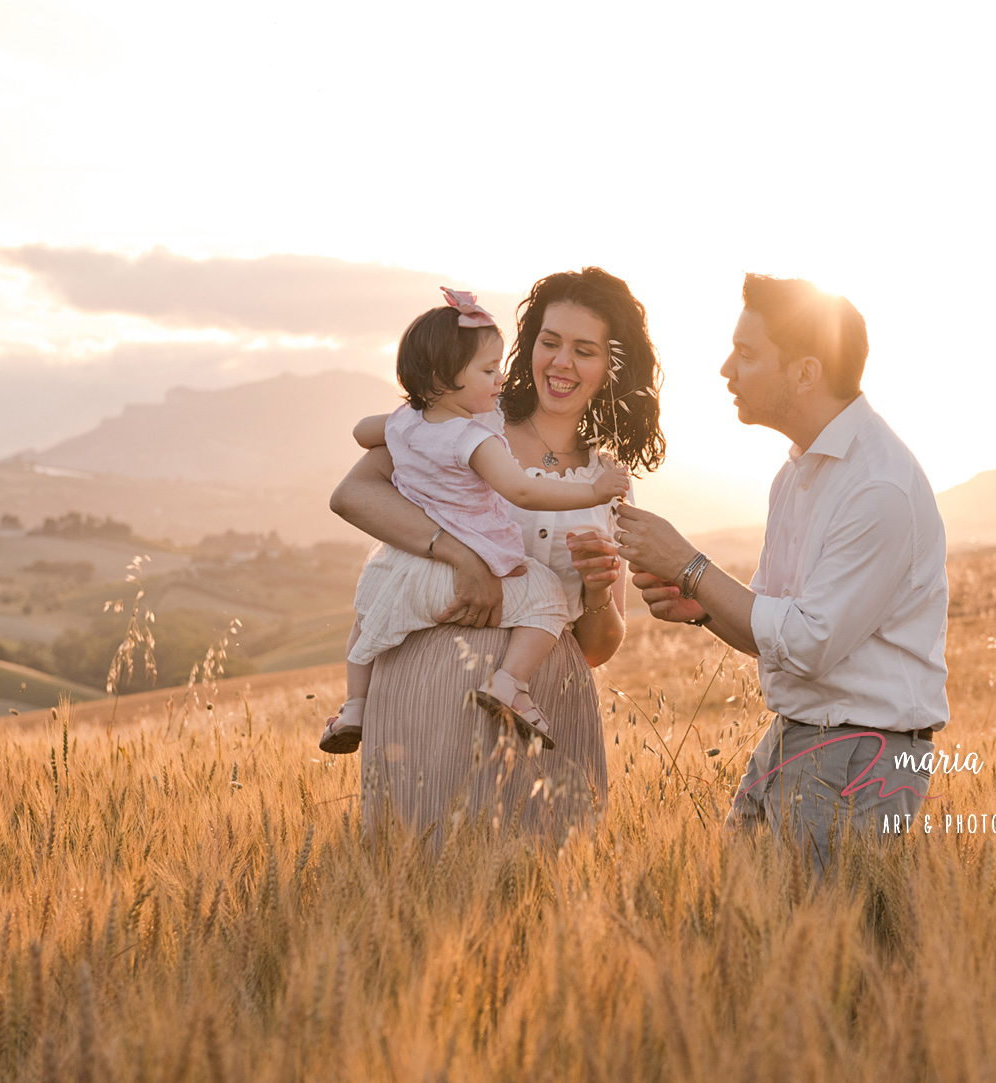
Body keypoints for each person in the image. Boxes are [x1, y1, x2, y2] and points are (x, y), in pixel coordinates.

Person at [615, 274, 948, 872]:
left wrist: (691, 567)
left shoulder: (878, 486)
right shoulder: (795, 476)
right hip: (800, 738)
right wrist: (703, 608)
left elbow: (808, 642)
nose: (726, 369)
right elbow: (773, 633)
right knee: (750, 922)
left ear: (804, 373)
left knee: (825, 945)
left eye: (746, 354)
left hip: (858, 755)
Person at [329, 268, 665, 840]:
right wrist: (460, 556)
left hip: (545, 704)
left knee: (537, 899)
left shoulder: (609, 481)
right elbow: (353, 493)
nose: (560, 362)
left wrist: (600, 588)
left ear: (611, 367)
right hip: (433, 683)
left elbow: (600, 647)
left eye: (583, 350)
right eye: (549, 341)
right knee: (420, 869)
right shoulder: (465, 420)